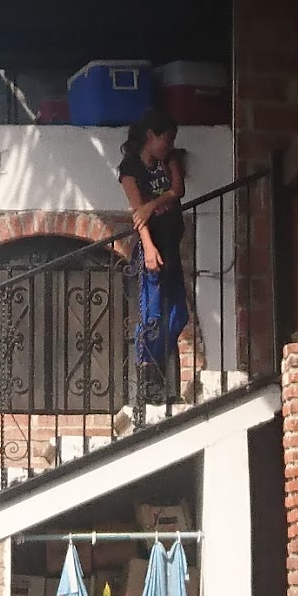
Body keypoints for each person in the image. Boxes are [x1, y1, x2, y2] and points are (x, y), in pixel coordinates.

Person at [115, 121, 196, 402]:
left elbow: (178, 189)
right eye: (166, 139)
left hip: (172, 244)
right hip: (155, 246)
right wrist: (148, 249)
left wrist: (153, 204)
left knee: (178, 315)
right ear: (150, 134)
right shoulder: (130, 169)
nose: (169, 146)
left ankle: (157, 371)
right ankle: (149, 380)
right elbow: (139, 217)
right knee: (152, 315)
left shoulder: (168, 160)